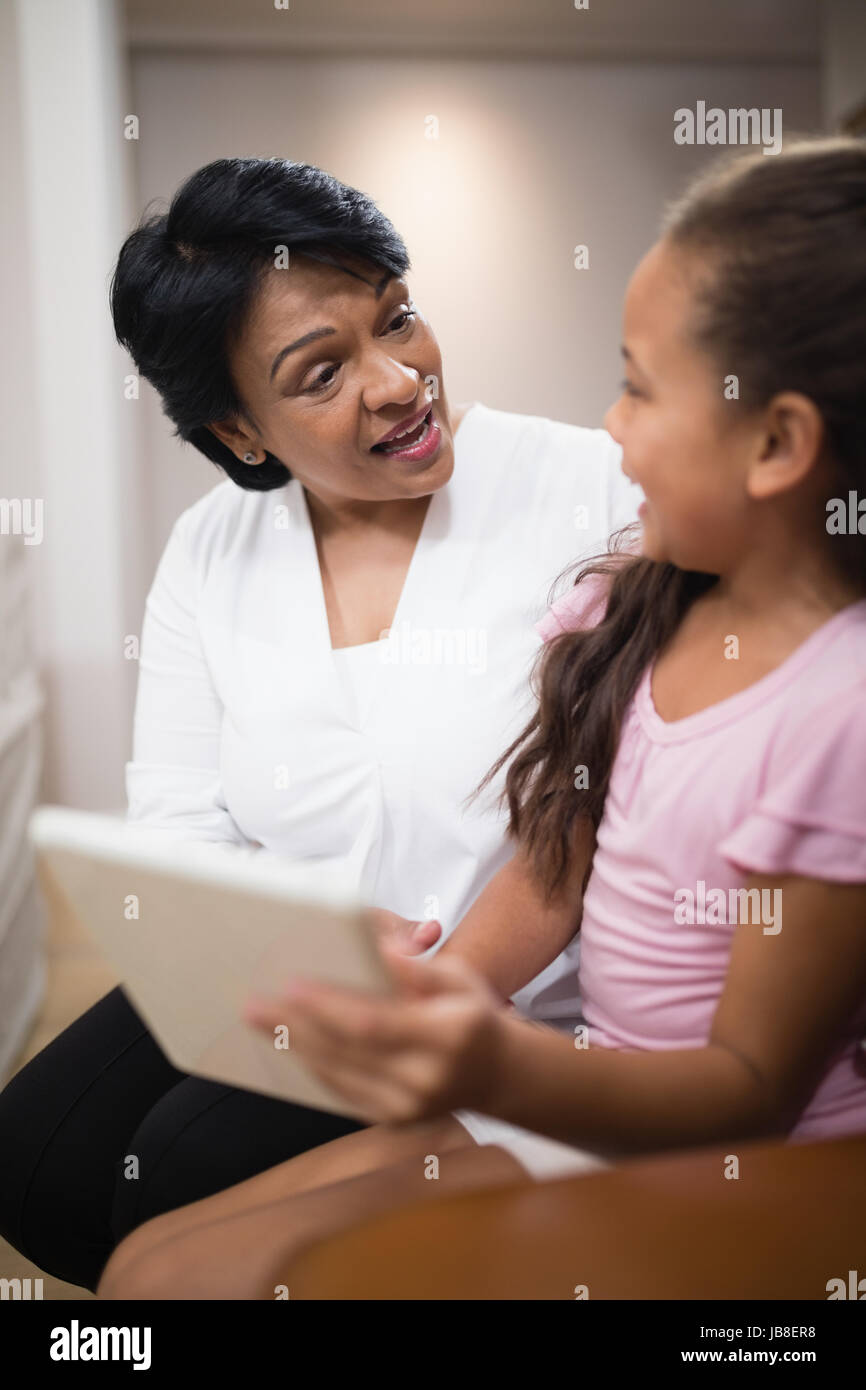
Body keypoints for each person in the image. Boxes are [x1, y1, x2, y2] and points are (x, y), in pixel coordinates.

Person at [96, 135, 866, 1302]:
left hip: (696, 1134)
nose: (604, 429)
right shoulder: (617, 600)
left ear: (776, 443)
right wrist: (443, 993)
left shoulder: (823, 708)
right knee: (142, 1256)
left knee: (182, 1247)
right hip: (571, 1068)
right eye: (319, 371)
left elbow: (750, 1088)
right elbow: (554, 850)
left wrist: (485, 1048)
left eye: (639, 389)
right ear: (237, 434)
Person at [0, 157, 636, 1292]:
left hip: (508, 997)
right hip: (284, 969)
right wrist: (284, 944)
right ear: (239, 432)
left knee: (169, 1166)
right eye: (322, 372)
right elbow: (182, 819)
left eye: (397, 318)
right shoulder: (211, 551)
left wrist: (433, 984)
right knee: (30, 1158)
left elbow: (613, 812)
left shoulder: (585, 491)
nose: (399, 381)